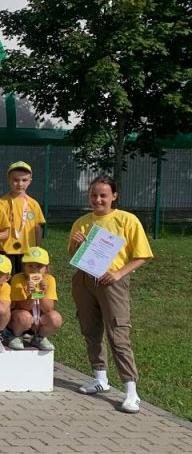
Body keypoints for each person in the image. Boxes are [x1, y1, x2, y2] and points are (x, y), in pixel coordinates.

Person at [69, 175, 153, 413]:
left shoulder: (127, 220)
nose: (98, 199)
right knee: (90, 329)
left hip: (112, 282)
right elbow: (73, 256)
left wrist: (118, 274)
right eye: (94, 195)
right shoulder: (82, 222)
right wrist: (77, 244)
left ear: (114, 196)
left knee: (118, 333)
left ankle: (131, 391)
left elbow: (142, 255)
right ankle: (100, 378)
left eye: (103, 195)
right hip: (85, 280)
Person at [7, 246, 61, 351]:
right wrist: (32, 295)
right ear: (24, 266)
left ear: (46, 268)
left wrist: (42, 294)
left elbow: (48, 309)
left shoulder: (50, 279)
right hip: (21, 319)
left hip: (39, 319)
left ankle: (39, 337)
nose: (34, 270)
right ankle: (16, 335)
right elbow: (21, 307)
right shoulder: (18, 278)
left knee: (56, 318)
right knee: (24, 317)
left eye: (39, 266)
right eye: (30, 265)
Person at [0, 161, 46, 275]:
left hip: (28, 252)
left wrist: (39, 248)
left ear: (30, 181)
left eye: (24, 180)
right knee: (7, 280)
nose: (20, 184)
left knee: (26, 280)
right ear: (9, 180)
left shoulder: (33, 204)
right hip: (6, 250)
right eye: (15, 180)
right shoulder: (0, 203)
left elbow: (37, 228)